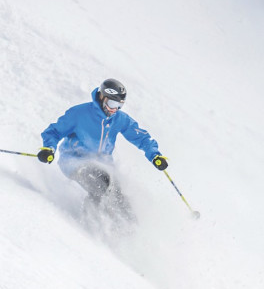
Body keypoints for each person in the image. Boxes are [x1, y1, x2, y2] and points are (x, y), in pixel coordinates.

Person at [38, 78, 168, 216]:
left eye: (119, 105)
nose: (114, 109)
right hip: (74, 161)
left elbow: (141, 137)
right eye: (112, 103)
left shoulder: (119, 119)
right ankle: (90, 222)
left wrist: (155, 155)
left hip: (103, 164)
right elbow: (54, 131)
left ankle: (131, 230)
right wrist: (49, 149)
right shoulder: (79, 113)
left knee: (119, 195)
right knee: (101, 184)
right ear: (102, 97)